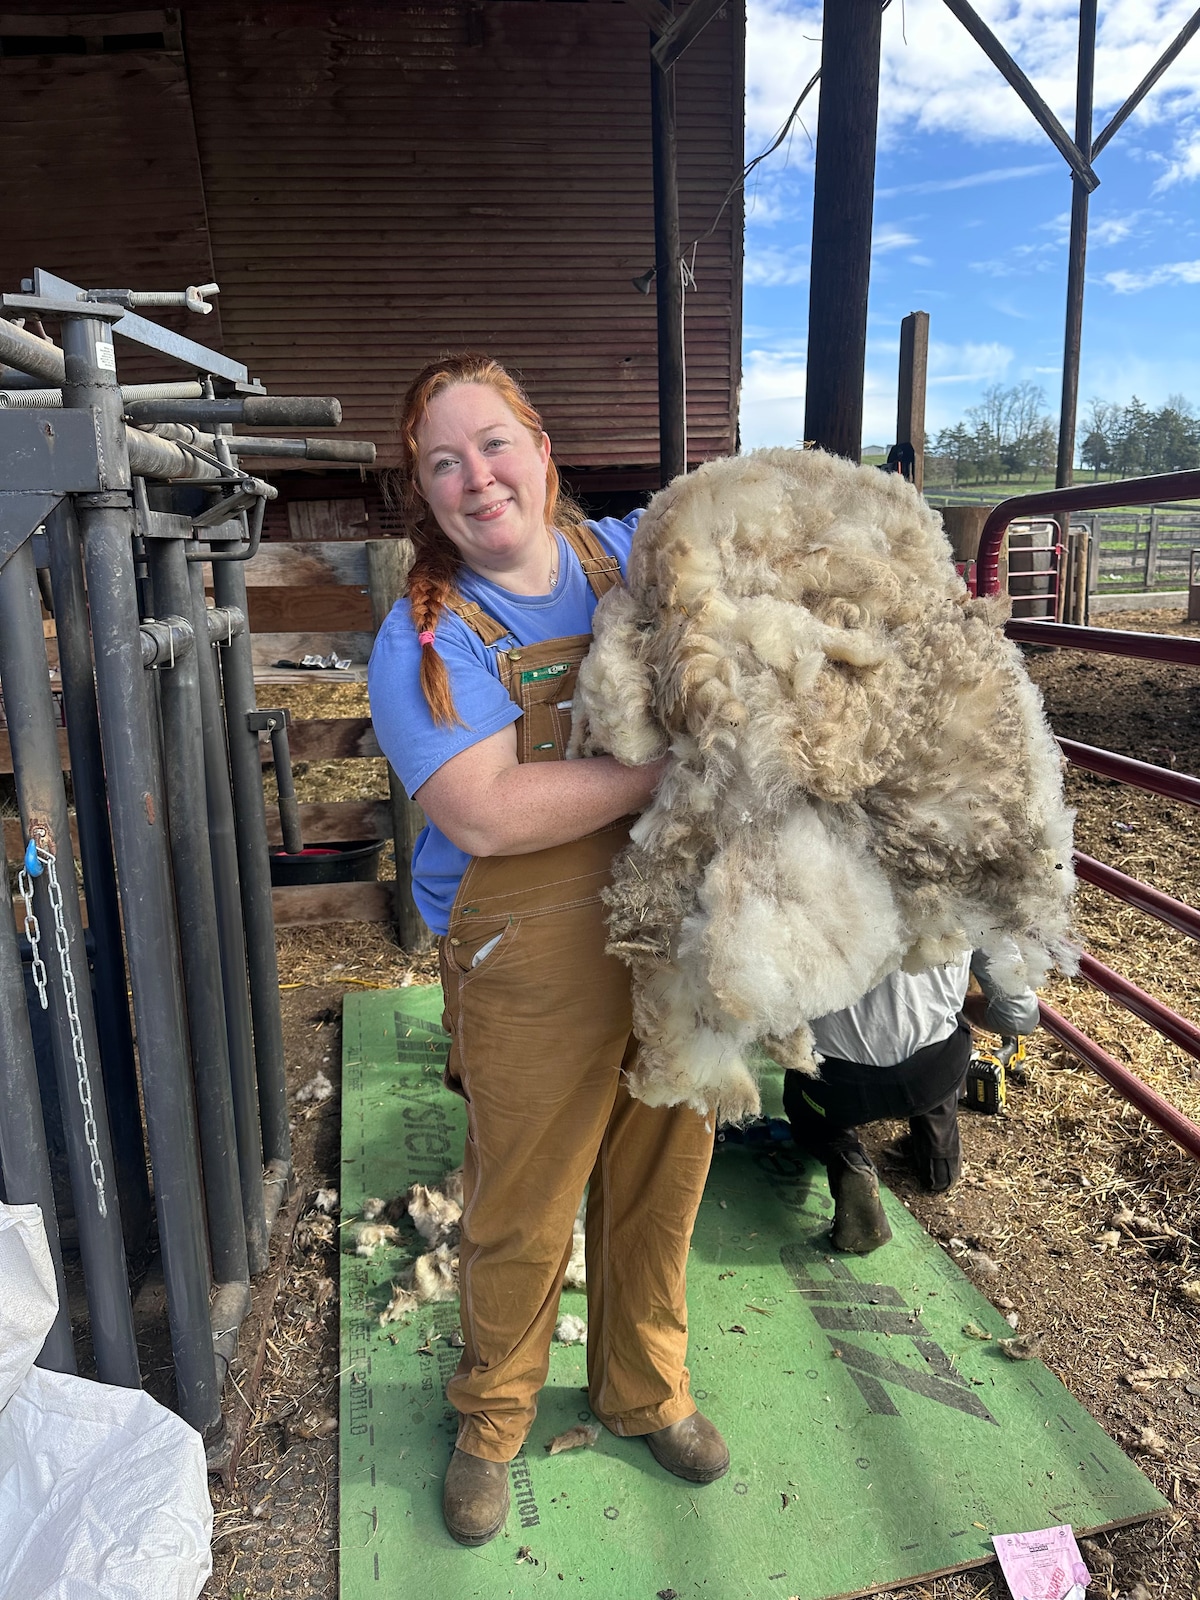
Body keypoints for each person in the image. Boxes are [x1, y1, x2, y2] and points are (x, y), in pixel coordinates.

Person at [368, 355, 728, 1549]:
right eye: (444, 462)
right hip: (526, 940)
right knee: (527, 1194)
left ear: (542, 446)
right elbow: (484, 811)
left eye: (494, 443)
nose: (478, 478)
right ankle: (494, 1415)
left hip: (673, 912)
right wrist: (668, 771)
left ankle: (644, 1389)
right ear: (422, 494)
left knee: (664, 1168)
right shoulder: (427, 636)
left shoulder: (633, 555)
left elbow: (771, 556)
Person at [782, 950, 1039, 1254]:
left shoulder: (805, 899)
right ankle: (938, 1159)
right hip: (930, 1077)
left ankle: (843, 1154)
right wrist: (962, 1002)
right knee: (949, 1030)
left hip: (837, 1082)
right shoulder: (977, 902)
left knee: (803, 1103)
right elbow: (1019, 1015)